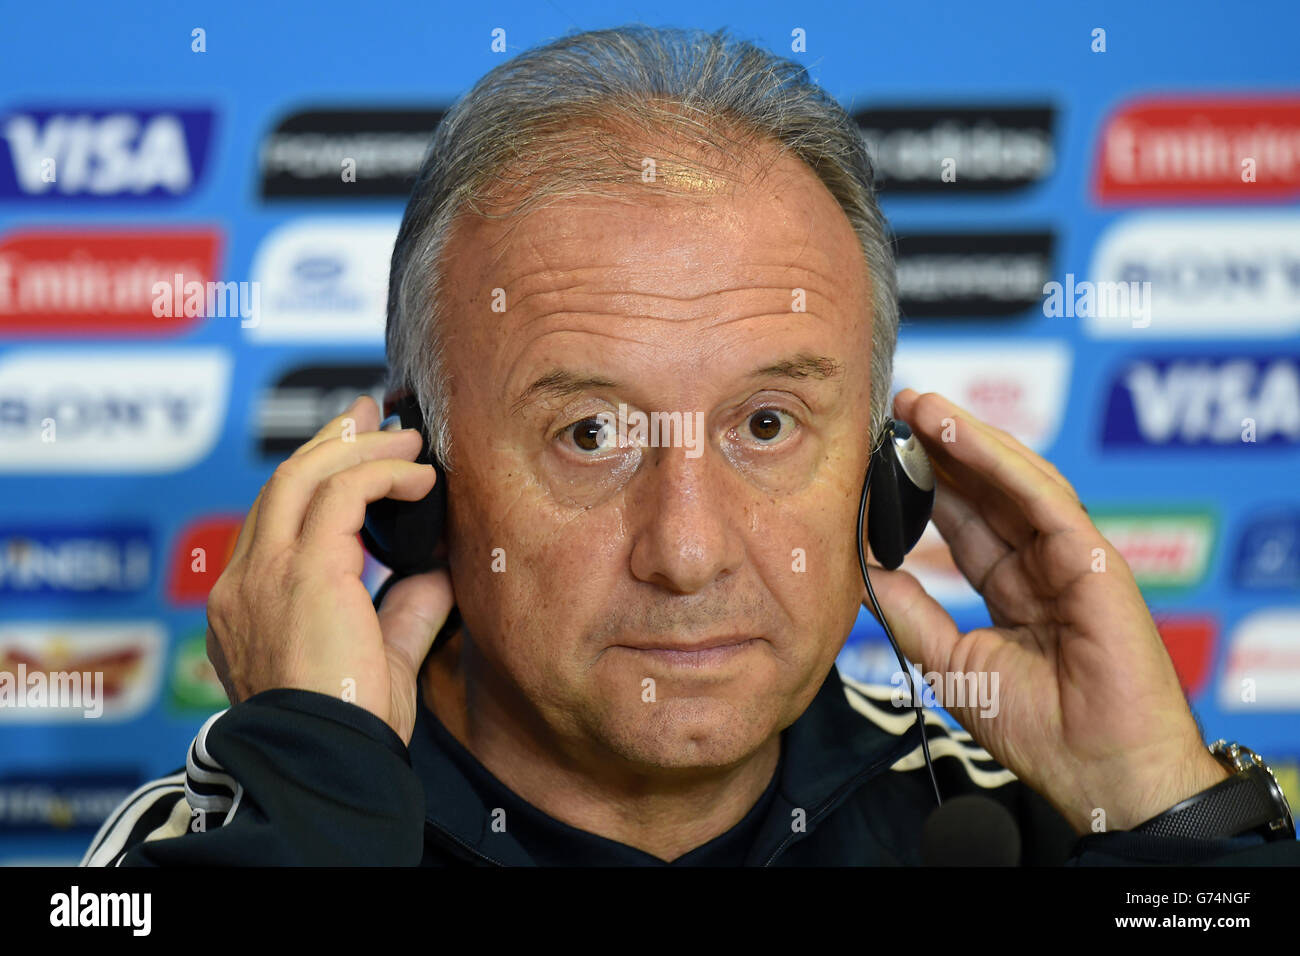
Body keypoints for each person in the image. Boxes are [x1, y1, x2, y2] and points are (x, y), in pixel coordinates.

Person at [83, 25, 1296, 867]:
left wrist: (1158, 811)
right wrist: (317, 811)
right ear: (417, 484)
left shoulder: (1017, 823)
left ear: (880, 483)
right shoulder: (245, 837)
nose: (688, 549)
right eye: (590, 432)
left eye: (766, 425)